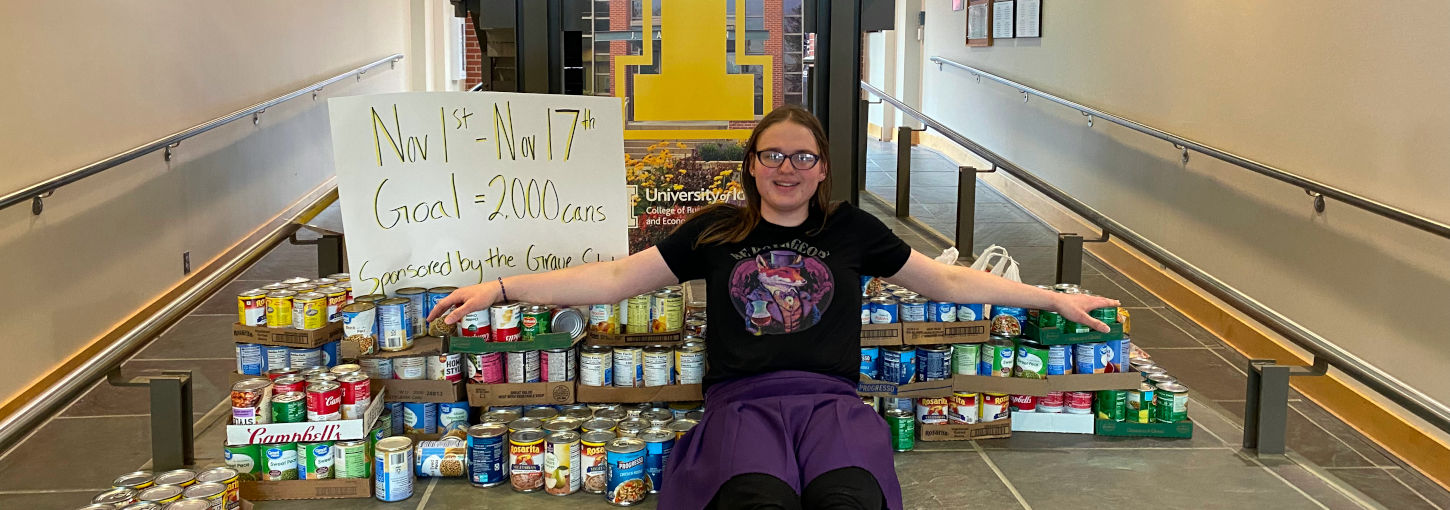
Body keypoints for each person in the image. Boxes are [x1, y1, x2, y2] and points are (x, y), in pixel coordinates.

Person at [428, 105, 1118, 509]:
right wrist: (502, 288)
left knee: (848, 500)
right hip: (743, 402)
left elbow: (952, 284)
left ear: (822, 167)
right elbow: (613, 279)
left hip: (832, 403)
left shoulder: (852, 231)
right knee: (760, 503)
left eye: (802, 156)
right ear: (752, 165)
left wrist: (1051, 297)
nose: (786, 168)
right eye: (771, 155)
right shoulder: (716, 230)